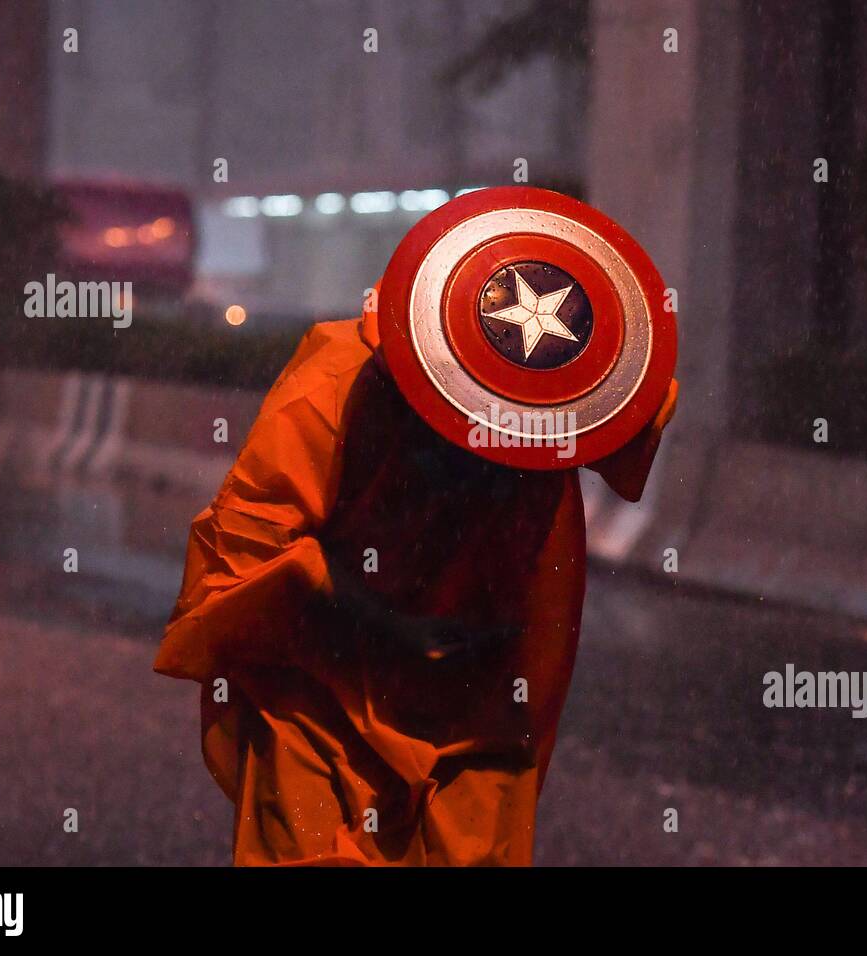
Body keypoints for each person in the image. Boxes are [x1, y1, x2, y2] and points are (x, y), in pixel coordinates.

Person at [153, 295, 677, 865]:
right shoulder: (342, 373)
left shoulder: (549, 415)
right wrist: (377, 621)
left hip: (470, 705)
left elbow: (631, 423)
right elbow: (247, 543)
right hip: (318, 696)